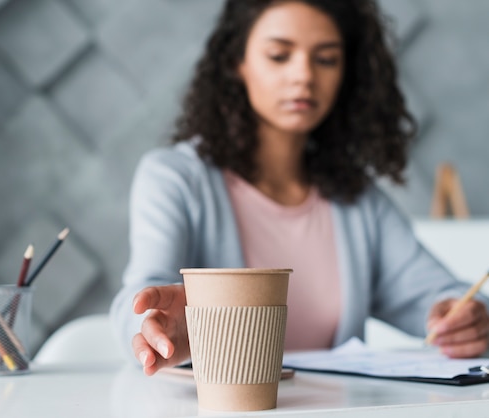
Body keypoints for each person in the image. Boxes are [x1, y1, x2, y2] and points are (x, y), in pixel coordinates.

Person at [110, 0, 489, 376]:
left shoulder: (356, 200)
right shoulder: (176, 178)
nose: (304, 75)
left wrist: (468, 318)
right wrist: (156, 328)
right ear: (235, 62)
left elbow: (443, 296)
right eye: (279, 55)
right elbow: (141, 296)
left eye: (326, 59)